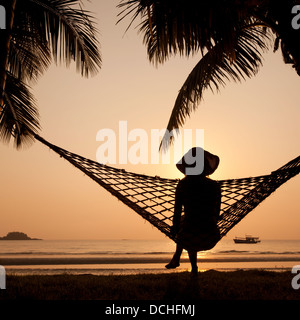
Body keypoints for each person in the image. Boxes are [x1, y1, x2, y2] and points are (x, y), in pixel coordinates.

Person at [165, 147, 221, 275]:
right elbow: (217, 213)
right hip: (210, 234)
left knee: (186, 224)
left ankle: (179, 258)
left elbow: (177, 211)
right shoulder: (214, 186)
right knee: (189, 223)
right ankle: (192, 267)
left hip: (188, 235)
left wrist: (174, 229)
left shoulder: (183, 185)